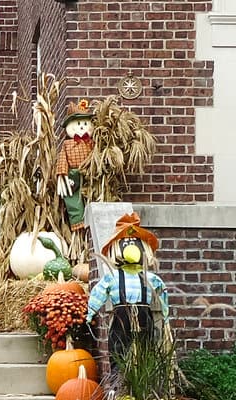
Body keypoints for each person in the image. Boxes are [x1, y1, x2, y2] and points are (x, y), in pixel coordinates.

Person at [85, 213, 168, 360]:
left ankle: (142, 374)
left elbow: (163, 292)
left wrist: (165, 315)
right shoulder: (112, 277)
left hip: (143, 315)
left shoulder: (150, 278)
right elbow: (98, 292)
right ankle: (118, 373)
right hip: (121, 316)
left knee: (145, 350)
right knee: (118, 349)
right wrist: (91, 312)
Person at [55, 99, 95, 231]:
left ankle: (93, 218)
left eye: (85, 123)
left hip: (89, 172)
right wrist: (62, 175)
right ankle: (78, 221)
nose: (82, 127)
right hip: (73, 174)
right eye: (78, 124)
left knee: (91, 195)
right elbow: (63, 159)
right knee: (71, 196)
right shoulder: (67, 144)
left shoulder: (92, 143)